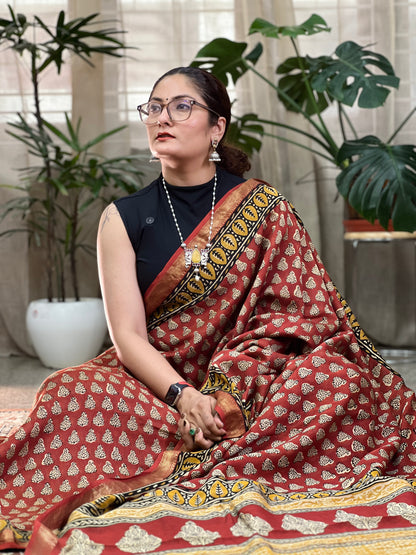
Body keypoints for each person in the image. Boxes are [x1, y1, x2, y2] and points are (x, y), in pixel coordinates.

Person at [2, 66, 416, 554]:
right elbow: (129, 338)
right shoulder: (124, 217)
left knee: (333, 378)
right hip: (159, 385)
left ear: (217, 127)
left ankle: (233, 431)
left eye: (181, 106)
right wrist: (184, 395)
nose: (163, 117)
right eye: (154, 107)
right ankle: (203, 435)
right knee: (71, 392)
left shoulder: (265, 208)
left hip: (258, 375)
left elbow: (305, 314)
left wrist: (232, 381)